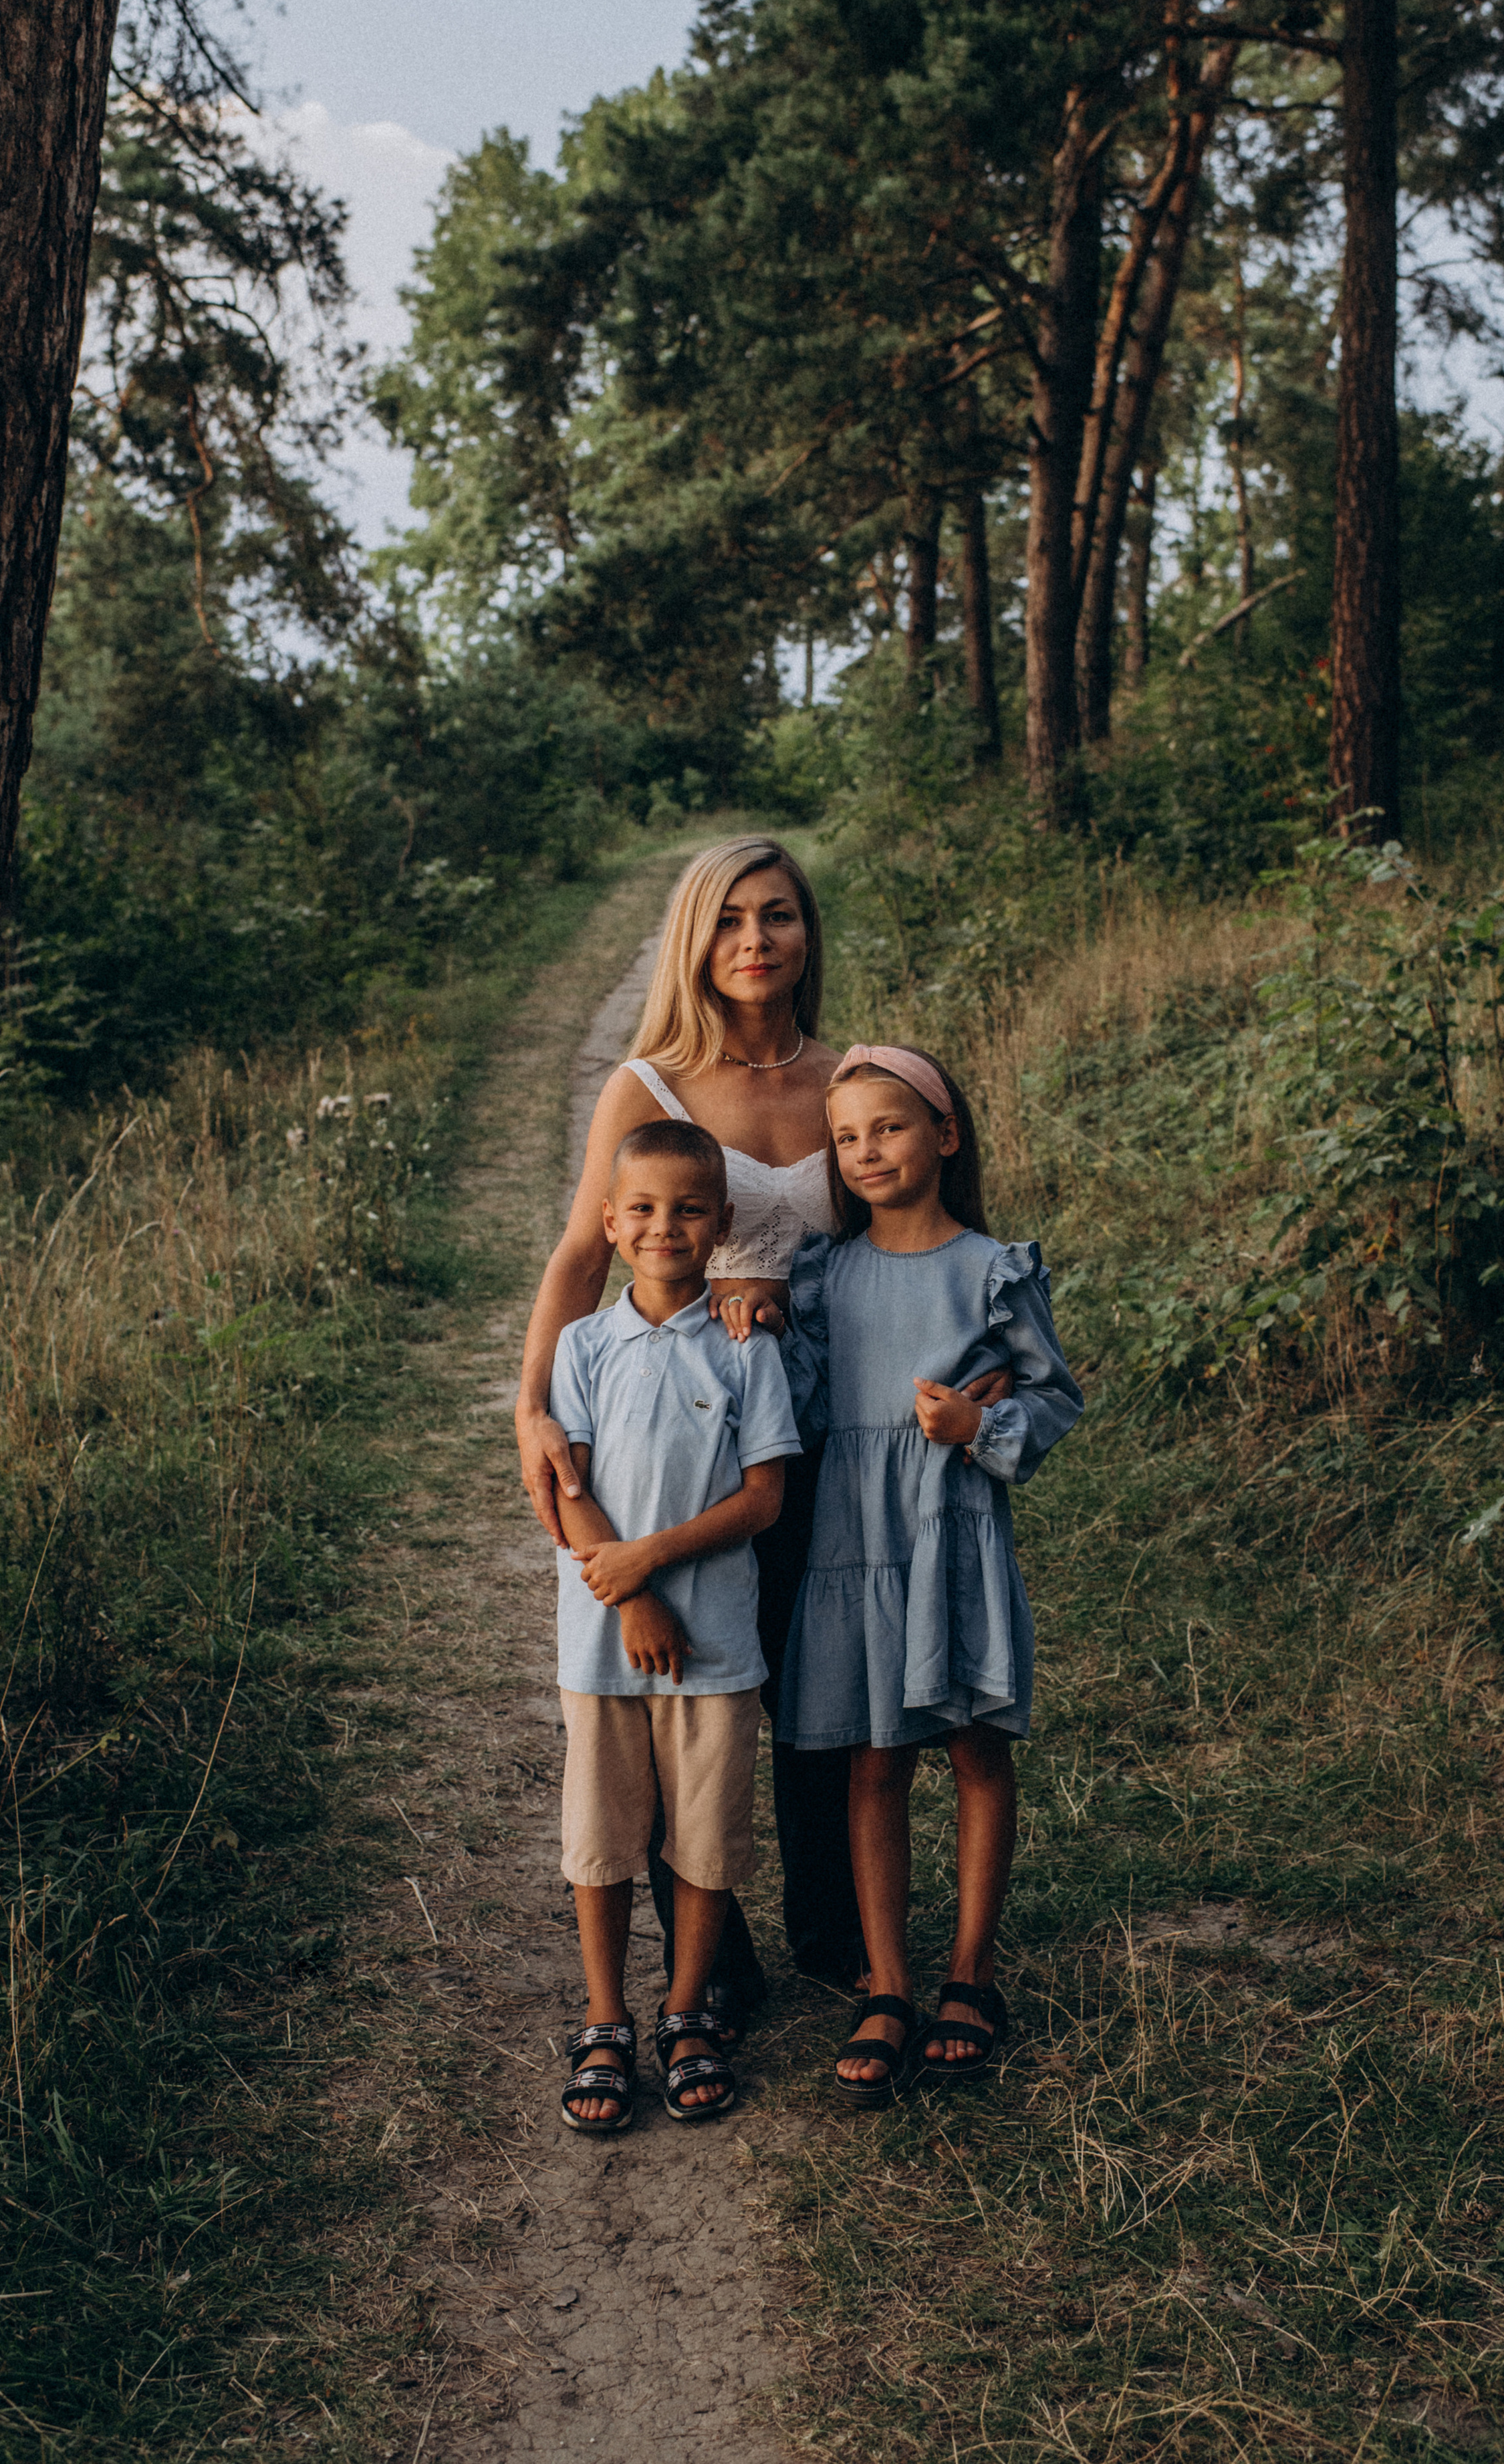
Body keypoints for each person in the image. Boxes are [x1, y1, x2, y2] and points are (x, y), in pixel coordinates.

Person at [517, 836, 858, 2013]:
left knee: (817, 1690)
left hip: (835, 1425)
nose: (754, 942)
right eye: (727, 921)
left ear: (808, 934)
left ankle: (832, 1928)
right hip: (687, 1435)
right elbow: (578, 1253)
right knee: (682, 1680)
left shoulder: (852, 1079)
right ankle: (710, 1971)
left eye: (776, 916)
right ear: (694, 943)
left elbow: (906, 1230)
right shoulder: (649, 1085)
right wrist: (531, 1408)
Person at [772, 1043, 1083, 2107]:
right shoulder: (827, 1271)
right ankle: (890, 1985)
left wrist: (977, 1423)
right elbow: (804, 1406)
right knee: (873, 1763)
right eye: (847, 1136)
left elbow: (1052, 1400)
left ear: (946, 1135)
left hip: (951, 1535)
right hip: (855, 1542)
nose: (866, 1151)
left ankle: (972, 1976)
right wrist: (751, 1318)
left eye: (890, 1127)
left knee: (975, 1750)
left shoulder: (992, 1269)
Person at [549, 1117, 800, 2133]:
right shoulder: (583, 1345)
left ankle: (687, 2010)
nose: (665, 1227)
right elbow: (565, 1486)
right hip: (602, 1643)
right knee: (603, 1838)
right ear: (611, 1224)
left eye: (689, 1209)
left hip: (717, 1646)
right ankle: (606, 2018)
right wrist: (632, 1593)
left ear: (721, 1225)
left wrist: (653, 1560)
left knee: (702, 1838)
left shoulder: (746, 1350)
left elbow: (764, 1498)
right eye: (643, 1210)